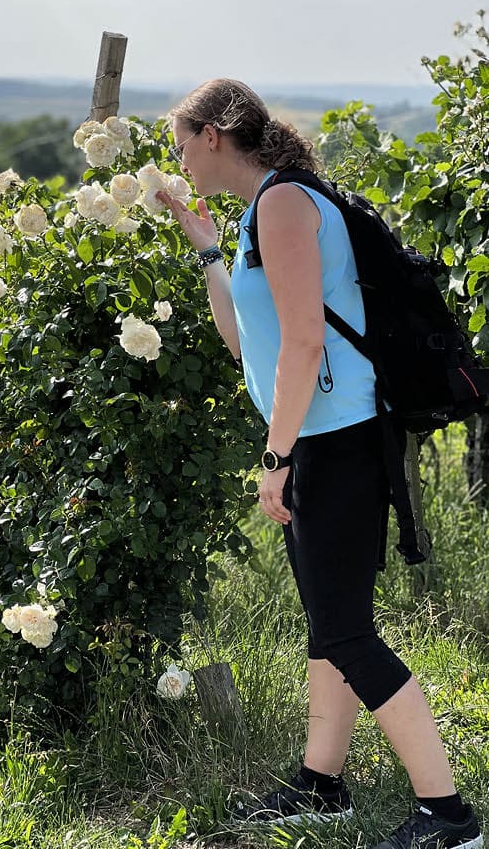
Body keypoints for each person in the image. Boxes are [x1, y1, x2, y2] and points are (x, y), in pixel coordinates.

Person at [157, 79, 483, 849]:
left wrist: (276, 455)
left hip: (332, 441)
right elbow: (248, 342)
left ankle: (450, 817)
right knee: (331, 622)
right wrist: (206, 245)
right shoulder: (262, 209)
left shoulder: (284, 205)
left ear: (213, 136)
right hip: (319, 437)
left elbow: (305, 343)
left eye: (179, 144)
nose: (177, 161)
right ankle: (322, 784)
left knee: (346, 632)